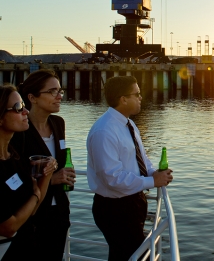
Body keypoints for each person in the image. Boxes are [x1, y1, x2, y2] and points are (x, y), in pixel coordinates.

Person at [87, 76, 173, 261]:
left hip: (131, 203)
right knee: (135, 255)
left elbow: (141, 159)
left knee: (125, 255)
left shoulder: (129, 124)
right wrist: (152, 181)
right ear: (123, 99)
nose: (141, 97)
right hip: (115, 209)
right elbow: (112, 178)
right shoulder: (105, 131)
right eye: (137, 94)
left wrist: (154, 173)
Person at [10, 69, 75, 260]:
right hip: (33, 215)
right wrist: (52, 178)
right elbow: (14, 174)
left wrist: (65, 175)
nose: (59, 96)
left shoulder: (58, 123)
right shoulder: (19, 130)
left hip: (59, 213)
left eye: (60, 91)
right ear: (33, 97)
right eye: (52, 92)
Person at [0, 84, 57, 260]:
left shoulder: (15, 158)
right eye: (18, 108)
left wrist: (46, 176)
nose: (25, 112)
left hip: (27, 248)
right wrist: (35, 195)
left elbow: (32, 210)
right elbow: (8, 227)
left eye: (23, 105)